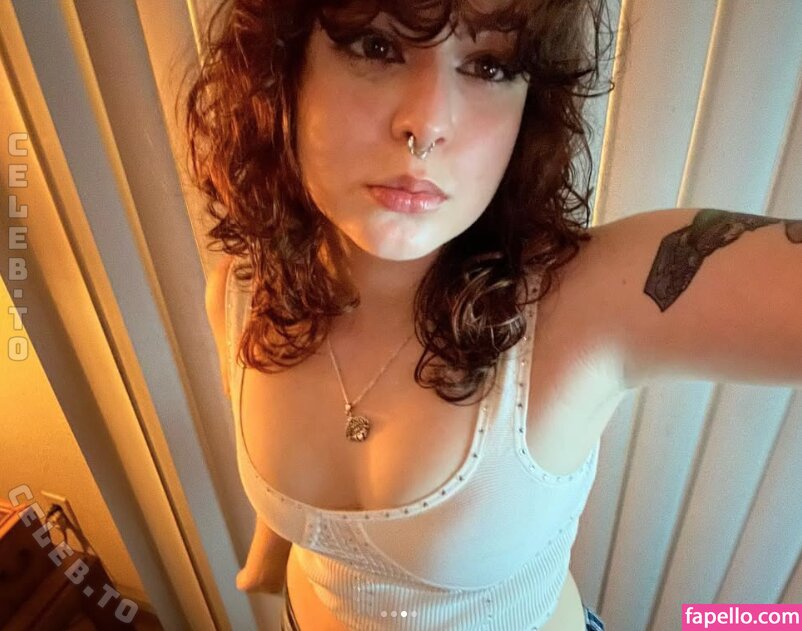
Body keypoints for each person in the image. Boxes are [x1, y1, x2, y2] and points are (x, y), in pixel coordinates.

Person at [185, 1, 802, 630]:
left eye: (489, 66)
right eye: (375, 46)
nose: (426, 126)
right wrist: (267, 558)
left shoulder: (582, 307)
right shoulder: (244, 289)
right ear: (284, 68)